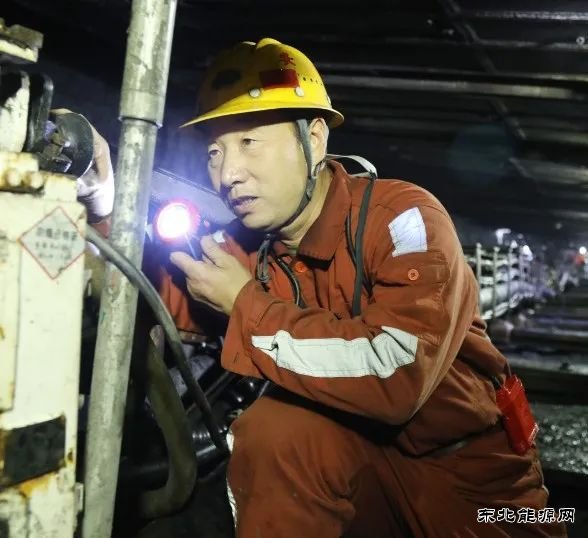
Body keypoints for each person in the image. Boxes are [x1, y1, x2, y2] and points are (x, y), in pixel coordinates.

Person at [157, 38, 567, 537]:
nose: (228, 174)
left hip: (476, 481)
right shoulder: (248, 248)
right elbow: (147, 290)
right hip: (359, 468)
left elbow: (397, 371)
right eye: (214, 152)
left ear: (314, 139)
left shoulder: (404, 219)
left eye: (249, 142)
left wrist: (245, 304)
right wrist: (97, 198)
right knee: (274, 433)